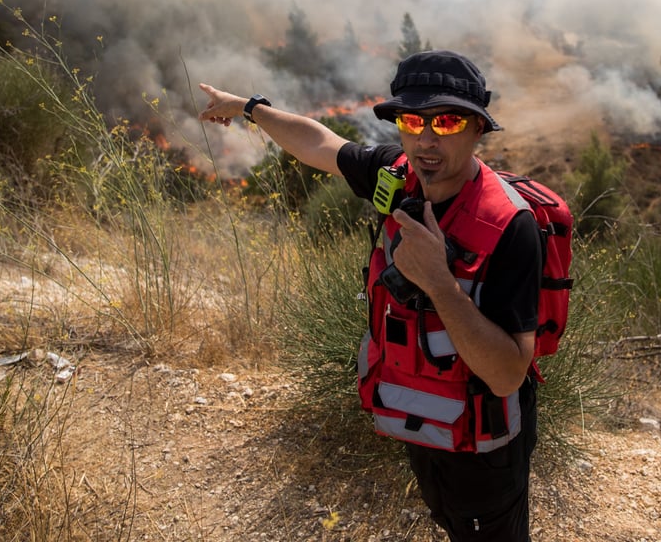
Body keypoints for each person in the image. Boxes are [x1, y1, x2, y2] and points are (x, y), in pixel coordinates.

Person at [198, 50, 542, 541]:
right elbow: (320, 143)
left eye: (445, 122)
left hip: (485, 450)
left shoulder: (511, 227)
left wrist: (439, 283)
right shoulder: (395, 175)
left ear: (477, 129)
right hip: (419, 417)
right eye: (410, 121)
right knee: (445, 518)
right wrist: (248, 107)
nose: (424, 140)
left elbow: (510, 373)